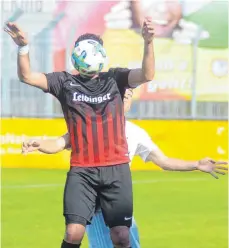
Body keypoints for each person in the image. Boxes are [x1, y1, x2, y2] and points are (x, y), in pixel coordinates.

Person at [4, 17, 155, 248]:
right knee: (73, 232)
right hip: (83, 171)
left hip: (116, 169)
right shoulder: (64, 82)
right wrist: (23, 47)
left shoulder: (116, 79)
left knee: (121, 236)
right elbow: (27, 77)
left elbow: (147, 74)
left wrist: (148, 42)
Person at [22, 89, 227, 248]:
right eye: (121, 95)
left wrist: (196, 164)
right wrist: (40, 144)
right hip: (97, 207)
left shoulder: (135, 132)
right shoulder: (89, 125)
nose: (125, 99)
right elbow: (59, 143)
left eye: (128, 95)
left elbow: (163, 161)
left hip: (119, 205)